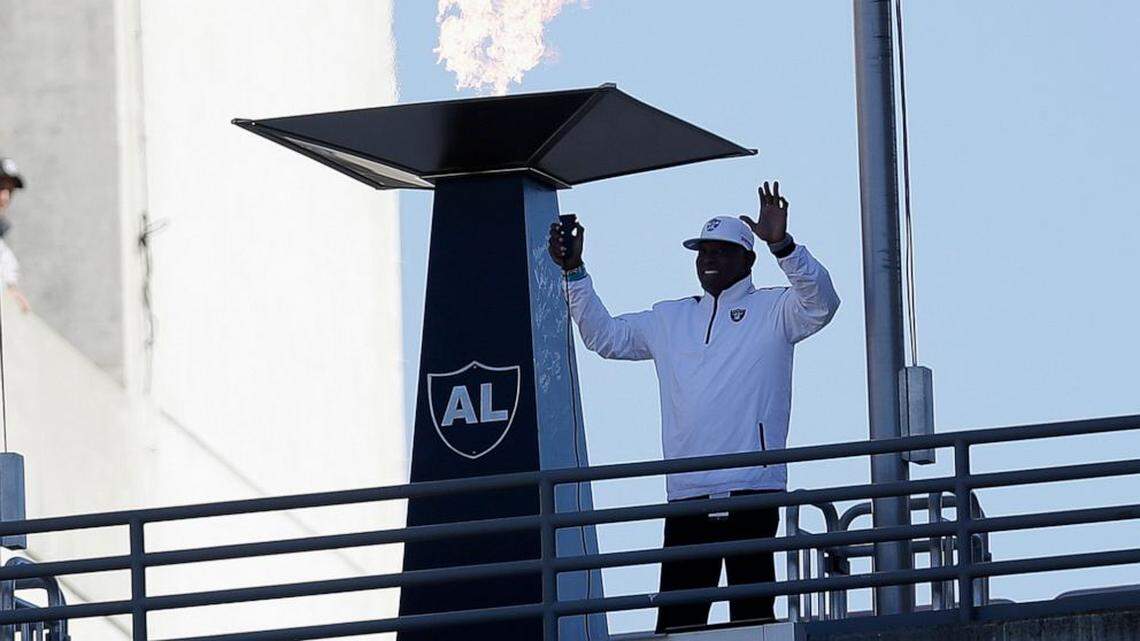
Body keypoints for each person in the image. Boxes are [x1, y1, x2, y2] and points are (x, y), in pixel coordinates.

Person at [548, 181, 840, 631]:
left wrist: (783, 245)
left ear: (748, 259)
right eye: (703, 251)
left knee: (754, 623)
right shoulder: (670, 317)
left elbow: (822, 303)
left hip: (752, 487)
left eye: (722, 251)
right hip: (686, 493)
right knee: (677, 625)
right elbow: (603, 337)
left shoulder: (775, 309)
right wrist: (574, 273)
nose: (709, 260)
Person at [0, 157, 30, 313]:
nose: (4, 197)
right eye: (0, 186)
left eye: (9, 191)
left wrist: (11, 291)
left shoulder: (4, 247)